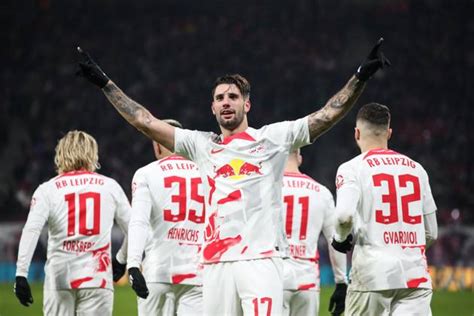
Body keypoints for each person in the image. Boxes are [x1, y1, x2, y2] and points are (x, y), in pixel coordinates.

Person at [76, 38, 390, 315]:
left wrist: (360, 77)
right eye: (220, 98)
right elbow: (145, 121)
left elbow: (327, 115)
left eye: (233, 96)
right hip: (213, 264)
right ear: (212, 108)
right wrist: (105, 83)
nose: (226, 101)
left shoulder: (272, 138)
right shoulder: (200, 145)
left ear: (246, 104)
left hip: (261, 260)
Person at [331, 103, 438, 315]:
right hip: (415, 278)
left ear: (357, 133)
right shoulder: (417, 170)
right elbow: (432, 232)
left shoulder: (352, 168)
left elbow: (344, 217)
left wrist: (340, 239)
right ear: (389, 133)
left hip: (372, 275)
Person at [14, 130, 131, 316]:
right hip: (97, 278)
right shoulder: (110, 186)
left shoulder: (47, 189)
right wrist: (121, 259)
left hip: (59, 277)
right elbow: (134, 229)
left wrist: (21, 274)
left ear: (61, 153)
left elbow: (31, 230)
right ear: (92, 153)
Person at [127, 119, 205, 316]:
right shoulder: (206, 171)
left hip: (157, 272)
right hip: (198, 274)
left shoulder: (146, 173)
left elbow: (139, 221)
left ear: (157, 143)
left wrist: (133, 264)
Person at [281, 150, 347, 316]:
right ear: (299, 158)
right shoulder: (321, 192)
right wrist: (341, 282)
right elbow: (336, 239)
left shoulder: (265, 188)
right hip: (307, 280)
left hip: (274, 277)